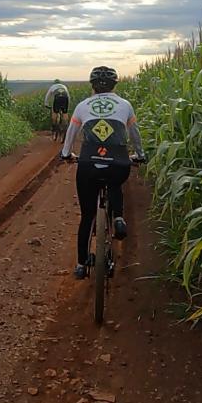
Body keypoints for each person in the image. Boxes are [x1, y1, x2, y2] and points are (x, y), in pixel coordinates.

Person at [60, 66, 146, 280]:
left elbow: (71, 134)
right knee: (115, 182)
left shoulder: (82, 106)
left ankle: (81, 264)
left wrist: (66, 154)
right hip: (118, 162)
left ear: (92, 86)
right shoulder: (125, 105)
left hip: (88, 164)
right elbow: (134, 134)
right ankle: (118, 217)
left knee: (87, 216)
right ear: (115, 85)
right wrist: (140, 155)